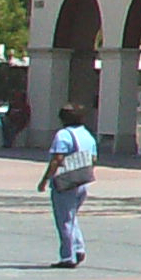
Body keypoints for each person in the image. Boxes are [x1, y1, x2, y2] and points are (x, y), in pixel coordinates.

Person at [39, 103, 98, 269]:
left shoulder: (63, 135)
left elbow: (57, 159)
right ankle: (78, 249)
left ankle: (68, 257)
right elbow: (93, 159)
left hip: (65, 183)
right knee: (72, 217)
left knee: (64, 220)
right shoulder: (87, 135)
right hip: (82, 181)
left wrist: (44, 180)